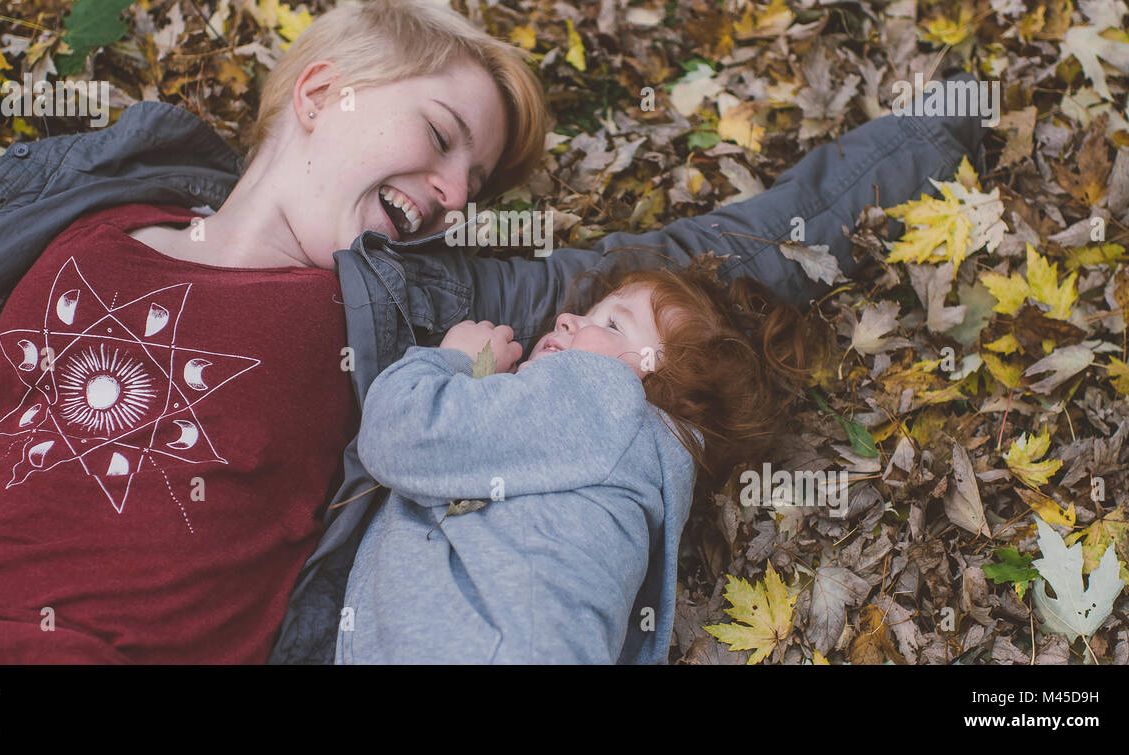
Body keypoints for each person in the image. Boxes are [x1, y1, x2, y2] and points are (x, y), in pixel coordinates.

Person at [0, 0, 990, 662]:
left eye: (473, 185)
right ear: (324, 87)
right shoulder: (78, 209)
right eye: (441, 136)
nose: (451, 195)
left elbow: (710, 254)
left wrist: (938, 133)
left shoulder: (423, 303)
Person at [338, 256, 813, 663]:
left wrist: (453, 359)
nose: (566, 317)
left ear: (653, 382)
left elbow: (398, 435)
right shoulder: (640, 472)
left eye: (611, 324)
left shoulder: (604, 397)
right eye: (589, 312)